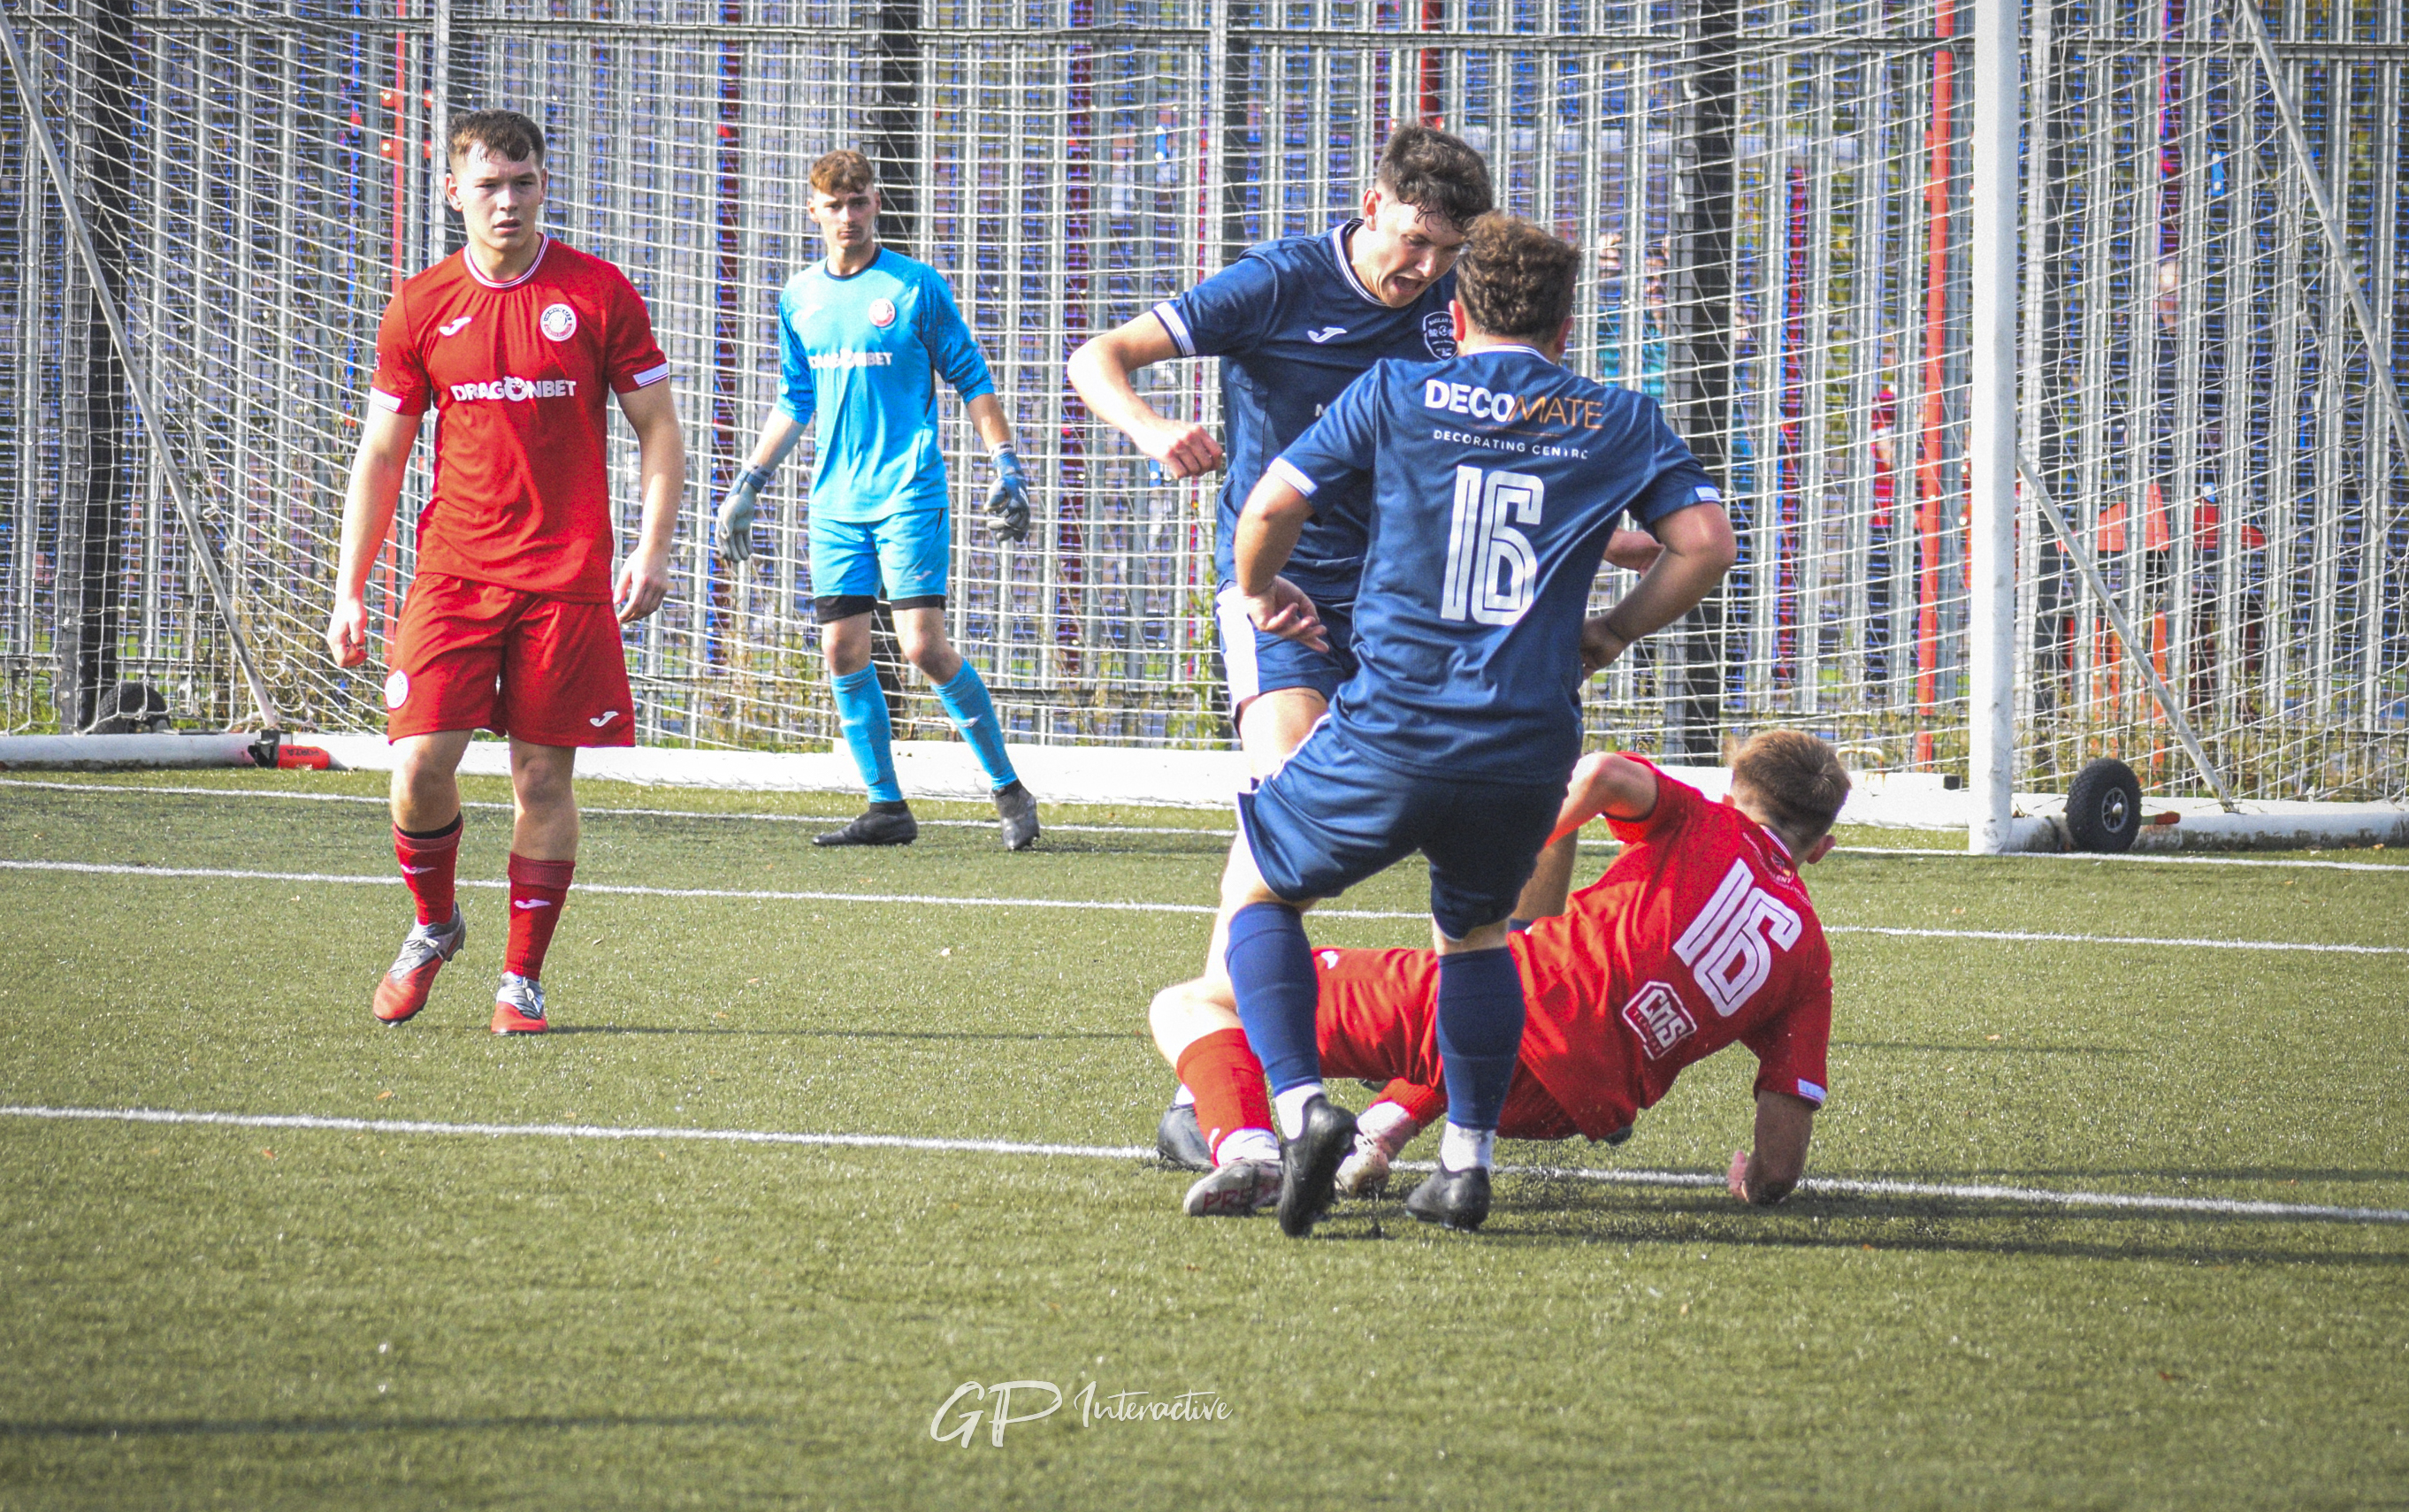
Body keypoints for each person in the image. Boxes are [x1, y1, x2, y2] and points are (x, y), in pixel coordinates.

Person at [1203, 211, 1736, 1236]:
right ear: (1567, 328)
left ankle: (1303, 1107)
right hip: (1525, 743)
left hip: (1393, 725)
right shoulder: (1618, 415)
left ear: (1455, 315)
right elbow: (1706, 542)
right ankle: (1463, 1161)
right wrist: (1613, 632)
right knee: (1478, 935)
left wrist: (1262, 594)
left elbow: (1269, 503)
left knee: (1260, 886)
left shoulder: (1400, 387)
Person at [1149, 731, 1845, 1219]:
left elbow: (1601, 773)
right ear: (1821, 848)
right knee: (1498, 986)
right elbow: (1782, 1161)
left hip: (1509, 1015)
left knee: (1201, 1003)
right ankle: (1381, 1131)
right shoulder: (1811, 961)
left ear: (1735, 792)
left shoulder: (1706, 822)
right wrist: (1754, 1183)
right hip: (1565, 1114)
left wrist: (1509, 850)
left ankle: (1253, 1151)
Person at [327, 110, 685, 1036]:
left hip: (566, 578)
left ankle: (520, 979)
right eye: (489, 185)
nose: (508, 201)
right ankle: (436, 922)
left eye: (523, 182)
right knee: (417, 768)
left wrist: (651, 546)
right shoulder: (418, 305)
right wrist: (349, 586)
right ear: (455, 193)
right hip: (452, 572)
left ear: (542, 186)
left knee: (540, 778)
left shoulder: (599, 292)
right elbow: (381, 454)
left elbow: (659, 428)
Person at [1066, 124, 1491, 785]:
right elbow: (1097, 357)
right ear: (1374, 208)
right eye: (1415, 241)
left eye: (1448, 250)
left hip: (1407, 586)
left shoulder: (1460, 301)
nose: (1428, 268)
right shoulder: (1278, 283)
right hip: (1281, 586)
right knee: (1293, 783)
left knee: (1476, 801)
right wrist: (1152, 429)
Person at [711, 149, 1041, 851]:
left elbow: (972, 378)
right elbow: (796, 399)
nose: (848, 216)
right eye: (834, 204)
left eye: (858, 201)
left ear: (875, 204)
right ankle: (886, 807)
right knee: (841, 649)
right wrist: (749, 483)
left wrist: (1005, 462)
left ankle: (1008, 788)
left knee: (922, 646)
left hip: (907, 490)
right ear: (814, 211)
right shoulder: (798, 297)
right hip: (833, 502)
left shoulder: (915, 287)